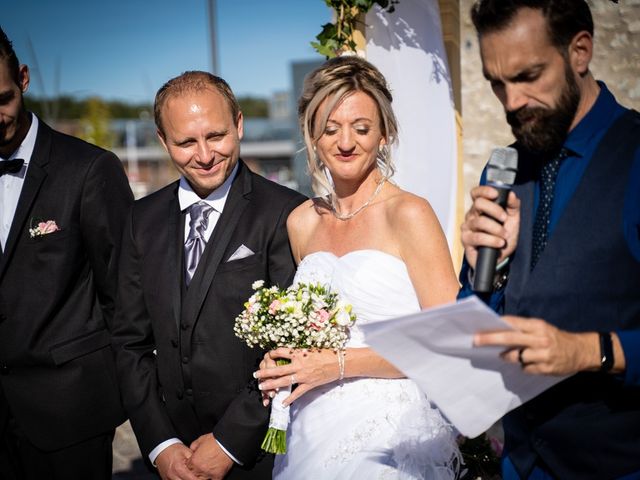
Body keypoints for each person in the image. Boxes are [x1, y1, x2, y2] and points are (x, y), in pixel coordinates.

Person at [254, 55, 460, 479]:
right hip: (308, 429)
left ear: (384, 135)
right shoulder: (302, 221)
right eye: (330, 128)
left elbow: (447, 342)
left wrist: (337, 364)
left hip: (387, 435)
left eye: (361, 128)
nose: (345, 142)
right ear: (313, 135)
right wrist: (286, 360)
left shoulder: (409, 214)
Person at [458, 1, 640, 478]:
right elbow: (477, 324)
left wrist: (589, 351)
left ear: (579, 51)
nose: (512, 100)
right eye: (497, 82)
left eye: (528, 75)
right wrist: (486, 269)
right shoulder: (502, 170)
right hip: (519, 463)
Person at [111, 70, 305, 480]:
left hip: (258, 455)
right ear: (163, 142)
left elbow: (292, 345)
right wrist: (161, 445)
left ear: (238, 124)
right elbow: (130, 342)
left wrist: (230, 442)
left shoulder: (286, 213)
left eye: (215, 136)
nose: (204, 155)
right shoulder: (139, 220)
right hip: (172, 457)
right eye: (185, 142)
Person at [0, 26, 133, 479]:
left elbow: (125, 296)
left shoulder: (91, 170)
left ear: (23, 79)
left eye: (2, 99)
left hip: (69, 418)